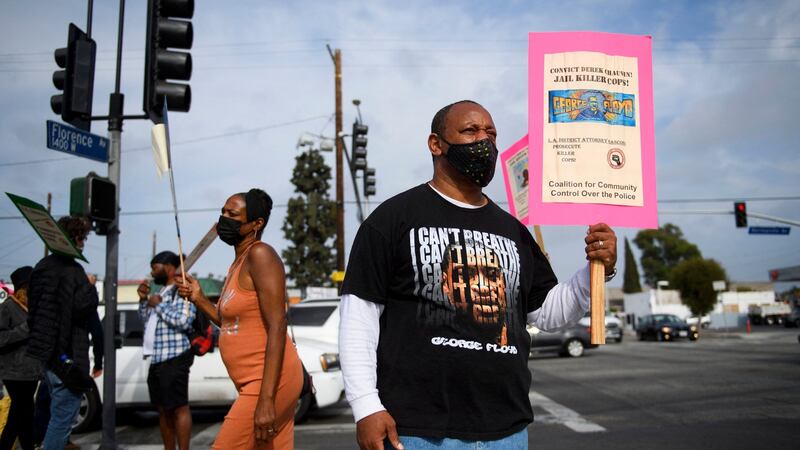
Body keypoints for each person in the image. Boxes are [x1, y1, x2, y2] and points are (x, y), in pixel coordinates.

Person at [339, 100, 618, 450]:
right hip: (417, 432)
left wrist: (598, 269)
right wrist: (366, 407)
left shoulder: (514, 231)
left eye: (491, 133)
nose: (483, 141)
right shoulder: (392, 220)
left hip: (506, 431)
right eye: (470, 131)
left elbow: (546, 311)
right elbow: (358, 317)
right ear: (436, 144)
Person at [178, 188, 303, 450]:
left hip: (268, 381)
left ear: (256, 224)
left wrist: (267, 399)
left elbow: (278, 324)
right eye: (223, 212)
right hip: (252, 381)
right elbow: (231, 324)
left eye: (232, 214)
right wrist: (200, 298)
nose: (223, 219)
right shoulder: (237, 263)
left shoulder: (260, 255)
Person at [26, 216, 99, 450]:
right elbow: (81, 308)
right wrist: (90, 286)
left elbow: (35, 310)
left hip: (46, 354)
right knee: (61, 420)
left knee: (52, 415)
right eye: (81, 238)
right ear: (73, 238)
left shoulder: (41, 267)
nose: (83, 243)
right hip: (67, 356)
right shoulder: (73, 271)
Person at [137, 251, 196, 450]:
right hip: (157, 358)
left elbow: (184, 320)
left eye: (155, 268)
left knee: (178, 407)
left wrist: (159, 306)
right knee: (163, 409)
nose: (152, 273)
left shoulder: (182, 289)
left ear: (169, 267)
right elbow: (147, 321)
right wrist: (144, 300)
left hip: (175, 356)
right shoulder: (160, 292)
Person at [0, 266, 40, 450]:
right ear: (23, 287)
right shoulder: (7, 308)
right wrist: (26, 329)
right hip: (14, 373)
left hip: (31, 372)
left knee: (26, 415)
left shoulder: (33, 307)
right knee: (18, 414)